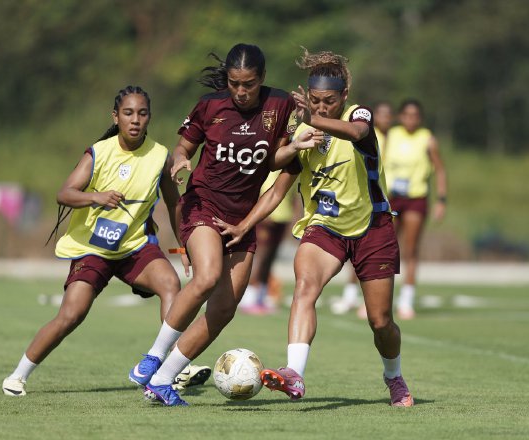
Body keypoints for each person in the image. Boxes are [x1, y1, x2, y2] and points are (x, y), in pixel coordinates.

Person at [215, 49, 414, 407]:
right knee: (304, 286)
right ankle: (294, 373)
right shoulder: (304, 131)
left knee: (380, 321)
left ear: (344, 96)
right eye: (315, 101)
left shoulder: (358, 115)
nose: (322, 107)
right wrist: (245, 224)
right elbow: (277, 189)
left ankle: (394, 376)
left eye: (329, 101)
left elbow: (356, 132)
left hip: (372, 227)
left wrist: (312, 120)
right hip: (324, 228)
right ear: (307, 96)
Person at [136, 43, 321, 406]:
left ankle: (161, 380)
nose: (240, 91)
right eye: (234, 83)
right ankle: (154, 356)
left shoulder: (281, 105)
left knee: (222, 311)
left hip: (241, 219)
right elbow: (183, 148)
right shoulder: (210, 106)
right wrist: (180, 160)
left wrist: (295, 144)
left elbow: (274, 161)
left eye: (248, 84)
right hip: (203, 204)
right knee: (206, 278)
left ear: (261, 78)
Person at [2, 86, 199, 397]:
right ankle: (17, 376)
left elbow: (175, 203)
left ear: (149, 117)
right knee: (71, 315)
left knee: (170, 283)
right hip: (93, 249)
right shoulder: (99, 152)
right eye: (128, 113)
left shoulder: (160, 156)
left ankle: (171, 366)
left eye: (142, 113)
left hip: (134, 247)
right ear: (115, 117)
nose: (135, 120)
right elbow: (64, 193)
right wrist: (96, 197)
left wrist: (184, 245)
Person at [382, 99, 447, 320]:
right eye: (407, 115)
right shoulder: (391, 136)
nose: (411, 119)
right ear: (400, 116)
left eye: (415, 116)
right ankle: (381, 299)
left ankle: (406, 301)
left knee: (410, 249)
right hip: (392, 198)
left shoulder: (427, 139)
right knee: (386, 248)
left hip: (415, 198)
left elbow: (440, 170)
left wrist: (441, 199)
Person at [330, 101, 394, 317]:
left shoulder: (397, 138)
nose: (385, 119)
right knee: (356, 253)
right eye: (381, 114)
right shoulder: (367, 130)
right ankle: (350, 296)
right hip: (362, 201)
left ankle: (385, 300)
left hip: (388, 200)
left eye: (388, 115)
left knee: (383, 254)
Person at [237, 169, 296, 315]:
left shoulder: (293, 168)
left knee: (269, 259)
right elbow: (259, 191)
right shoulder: (271, 168)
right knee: (260, 258)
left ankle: (261, 296)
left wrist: (293, 217)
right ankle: (248, 296)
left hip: (282, 218)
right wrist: (261, 215)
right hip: (267, 218)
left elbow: (292, 195)